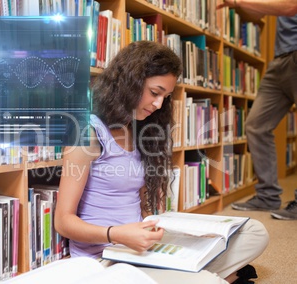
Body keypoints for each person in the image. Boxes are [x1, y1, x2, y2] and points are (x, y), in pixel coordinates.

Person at [54, 40, 269, 283]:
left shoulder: (139, 130)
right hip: (105, 257)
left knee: (254, 232)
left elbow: (143, 206)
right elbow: (63, 221)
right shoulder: (89, 133)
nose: (158, 105)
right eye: (154, 92)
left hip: (143, 248)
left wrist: (160, 224)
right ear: (129, 82)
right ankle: (216, 276)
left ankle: (200, 272)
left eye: (165, 97)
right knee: (207, 281)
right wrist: (117, 234)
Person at [217, 0, 297, 220]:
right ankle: (268, 196)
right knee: (256, 125)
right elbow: (256, 17)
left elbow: (291, 7)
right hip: (279, 61)